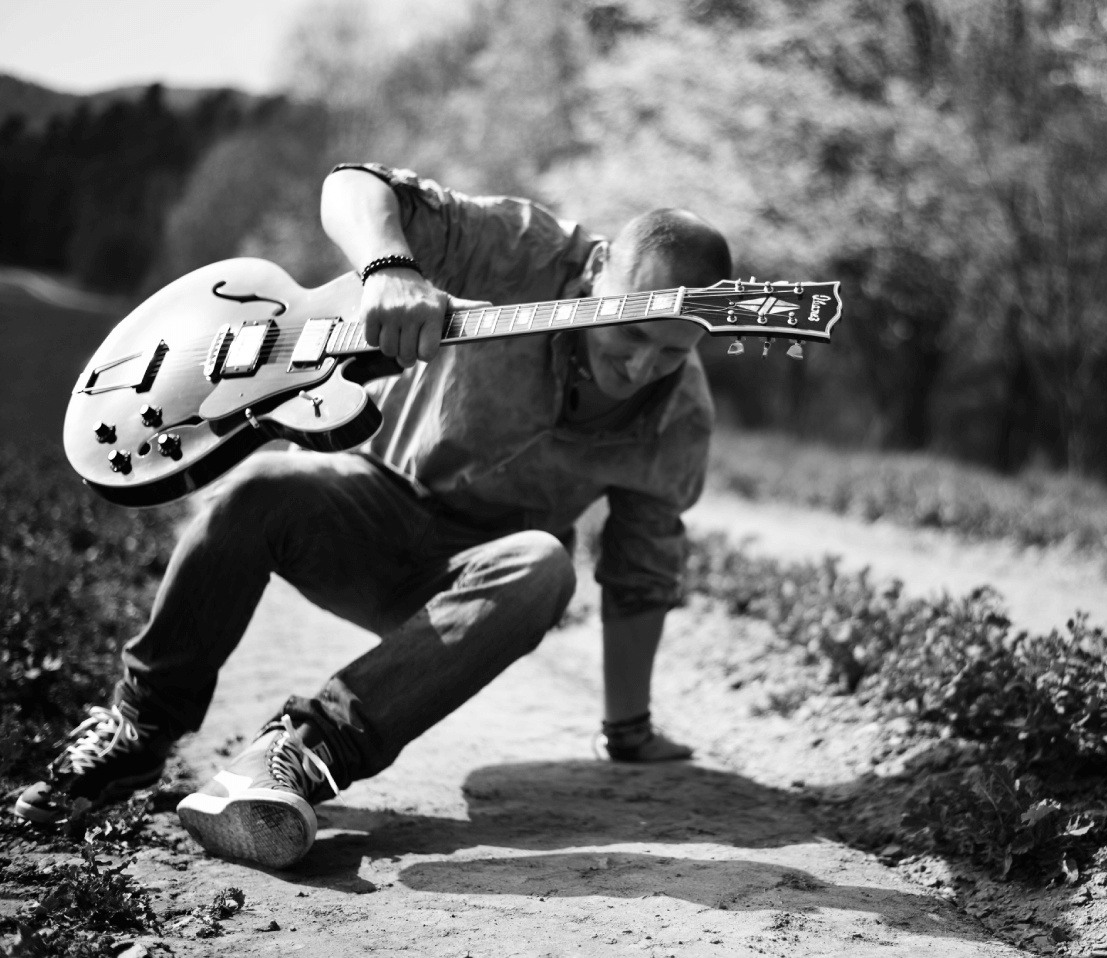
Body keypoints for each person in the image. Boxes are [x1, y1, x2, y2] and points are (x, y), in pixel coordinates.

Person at [14, 163, 731, 869]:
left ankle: (303, 752)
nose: (640, 368)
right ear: (599, 270)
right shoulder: (528, 248)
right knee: (260, 484)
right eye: (629, 336)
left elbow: (641, 572)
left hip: (474, 586)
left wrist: (628, 728)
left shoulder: (681, 420)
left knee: (545, 562)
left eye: (671, 353)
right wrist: (390, 268)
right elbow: (353, 185)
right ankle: (139, 725)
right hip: (370, 505)